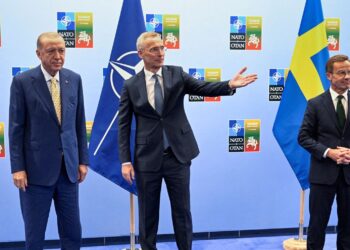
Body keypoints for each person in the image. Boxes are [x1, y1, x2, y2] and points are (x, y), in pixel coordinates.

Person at [118, 31, 257, 250]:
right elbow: (123, 125)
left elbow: (203, 88)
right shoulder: (130, 85)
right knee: (147, 215)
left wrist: (229, 85)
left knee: (182, 211)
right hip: (147, 159)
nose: (161, 53)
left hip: (178, 156)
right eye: (154, 49)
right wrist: (125, 161)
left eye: (163, 48)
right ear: (141, 53)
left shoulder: (177, 74)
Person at [9, 32, 89, 250]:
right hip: (34, 173)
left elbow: (79, 124)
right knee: (35, 235)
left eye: (62, 50)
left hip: (68, 171)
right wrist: (18, 168)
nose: (58, 56)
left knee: (73, 233)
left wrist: (83, 160)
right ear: (38, 53)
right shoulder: (22, 82)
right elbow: (16, 129)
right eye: (51, 51)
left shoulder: (74, 79)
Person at [298, 54, 350, 250]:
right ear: (329, 75)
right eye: (341, 72)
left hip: (348, 177)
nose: (347, 76)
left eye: (349, 72)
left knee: (348, 229)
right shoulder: (315, 104)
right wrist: (329, 152)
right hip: (322, 176)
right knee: (317, 227)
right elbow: (303, 137)